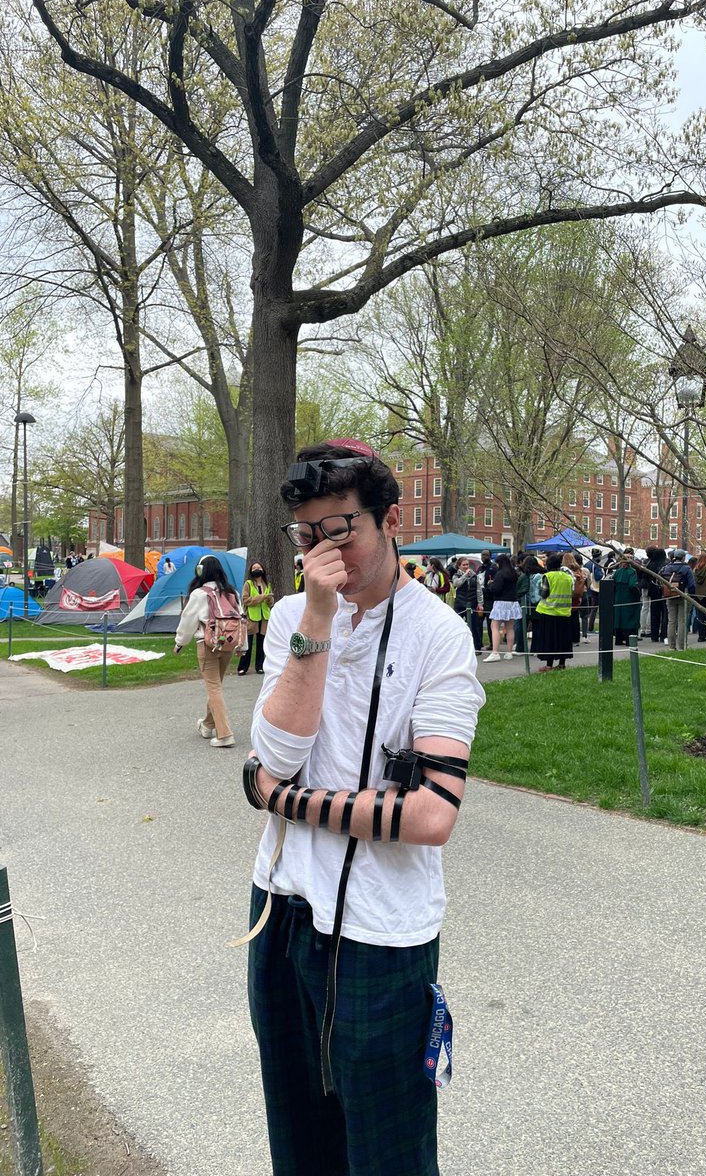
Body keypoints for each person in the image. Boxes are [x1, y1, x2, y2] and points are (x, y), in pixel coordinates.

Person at [242, 440, 485, 1176]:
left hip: (383, 927)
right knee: (296, 1127)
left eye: (341, 528)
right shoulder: (292, 615)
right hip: (280, 907)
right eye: (307, 535)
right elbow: (272, 759)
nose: (323, 551)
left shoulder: (439, 633)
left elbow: (432, 814)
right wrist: (315, 623)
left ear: (389, 518)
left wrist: (286, 801)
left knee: (387, 1144)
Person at [173, 554, 244, 747]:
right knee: (216, 686)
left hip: (207, 644)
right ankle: (207, 725)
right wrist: (242, 646)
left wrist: (180, 642)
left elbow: (188, 621)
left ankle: (224, 734)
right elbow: (241, 619)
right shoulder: (232, 593)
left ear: (200, 571)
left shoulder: (199, 594)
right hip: (229, 644)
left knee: (213, 688)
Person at [531, 552, 574, 671]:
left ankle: (549, 665)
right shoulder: (568, 577)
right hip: (565, 612)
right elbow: (571, 592)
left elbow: (544, 593)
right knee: (563, 639)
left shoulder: (548, 576)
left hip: (549, 612)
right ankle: (561, 663)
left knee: (550, 640)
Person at [238, 560, 275, 675]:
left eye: (258, 568)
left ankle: (260, 666)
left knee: (261, 644)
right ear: (251, 571)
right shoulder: (248, 584)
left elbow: (270, 603)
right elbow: (245, 600)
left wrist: (269, 599)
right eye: (254, 568)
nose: (257, 570)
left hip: (264, 618)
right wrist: (261, 597)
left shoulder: (267, 584)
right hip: (251, 618)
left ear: (263, 570)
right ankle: (243, 667)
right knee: (248, 643)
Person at [483, 552, 521, 662]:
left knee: (494, 626)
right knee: (510, 628)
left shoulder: (500, 574)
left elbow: (496, 588)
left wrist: (490, 584)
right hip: (512, 602)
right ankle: (509, 652)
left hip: (501, 602)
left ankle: (495, 652)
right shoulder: (514, 573)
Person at [660, 548, 695, 650]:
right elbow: (692, 584)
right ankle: (682, 645)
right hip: (683, 595)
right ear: (683, 558)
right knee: (682, 621)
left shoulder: (667, 567)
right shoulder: (687, 568)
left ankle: (672, 645)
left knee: (671, 621)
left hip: (670, 595)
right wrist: (692, 595)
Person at [612, 548, 641, 646]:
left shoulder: (617, 572)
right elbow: (633, 585)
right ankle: (629, 641)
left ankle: (618, 640)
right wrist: (638, 593)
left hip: (618, 598)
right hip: (629, 599)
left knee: (618, 618)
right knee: (629, 619)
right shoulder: (632, 572)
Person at [451, 556, 481, 651]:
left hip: (472, 602)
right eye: (463, 565)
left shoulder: (474, 575)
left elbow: (479, 590)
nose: (466, 566)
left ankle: (476, 647)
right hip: (460, 602)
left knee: (474, 625)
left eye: (467, 564)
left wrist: (480, 603)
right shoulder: (456, 575)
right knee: (457, 624)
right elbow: (456, 584)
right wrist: (465, 575)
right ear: (459, 566)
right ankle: (456, 646)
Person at [644, 546, 669, 643]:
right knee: (665, 614)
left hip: (653, 591)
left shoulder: (651, 564)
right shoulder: (666, 564)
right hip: (663, 591)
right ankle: (664, 634)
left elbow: (645, 577)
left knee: (654, 614)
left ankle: (654, 635)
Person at [562, 551, 586, 645]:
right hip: (578, 595)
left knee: (568, 617)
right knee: (575, 617)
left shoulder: (565, 571)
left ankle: (569, 637)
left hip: (569, 595)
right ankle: (576, 638)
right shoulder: (578, 569)